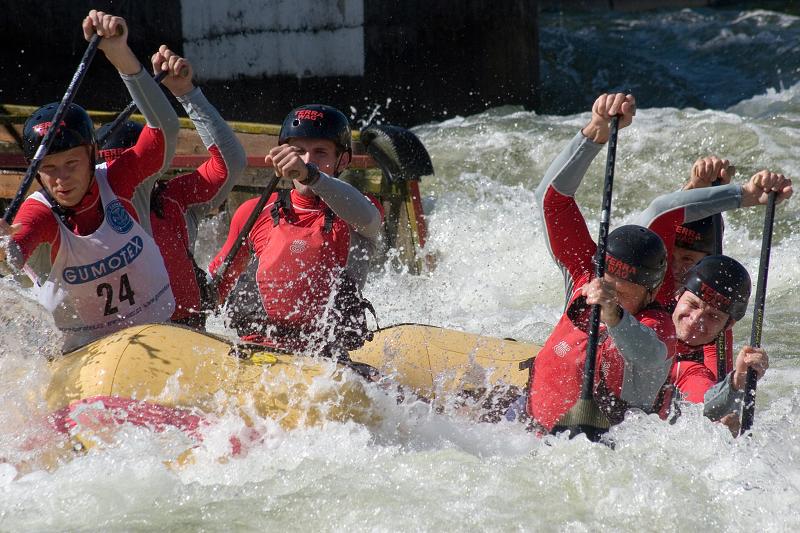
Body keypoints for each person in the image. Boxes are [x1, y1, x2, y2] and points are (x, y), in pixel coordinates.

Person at [0, 11, 178, 351]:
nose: (61, 179)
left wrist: (119, 53)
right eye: (49, 168)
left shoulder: (117, 178)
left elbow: (165, 129)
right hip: (84, 355)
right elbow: (15, 251)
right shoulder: (39, 212)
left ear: (92, 155)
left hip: (159, 336)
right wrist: (5, 249)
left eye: (71, 163)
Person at [526, 93, 676, 440]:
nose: (607, 291)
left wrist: (614, 315)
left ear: (650, 291)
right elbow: (552, 199)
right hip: (528, 430)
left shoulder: (658, 325)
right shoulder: (585, 274)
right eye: (606, 281)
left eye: (622, 291)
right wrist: (595, 133)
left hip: (599, 451)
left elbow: (649, 354)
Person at [209, 104, 383, 355]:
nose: (307, 161)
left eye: (320, 152)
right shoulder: (254, 211)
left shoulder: (359, 210)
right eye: (298, 151)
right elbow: (217, 287)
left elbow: (368, 217)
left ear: (342, 160)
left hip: (326, 359)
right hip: (255, 351)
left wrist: (312, 176)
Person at [98, 46, 246, 329]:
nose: (126, 182)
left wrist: (187, 93)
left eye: (131, 169)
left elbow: (231, 163)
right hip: (119, 337)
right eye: (113, 171)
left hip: (186, 331)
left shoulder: (175, 199)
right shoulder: (83, 210)